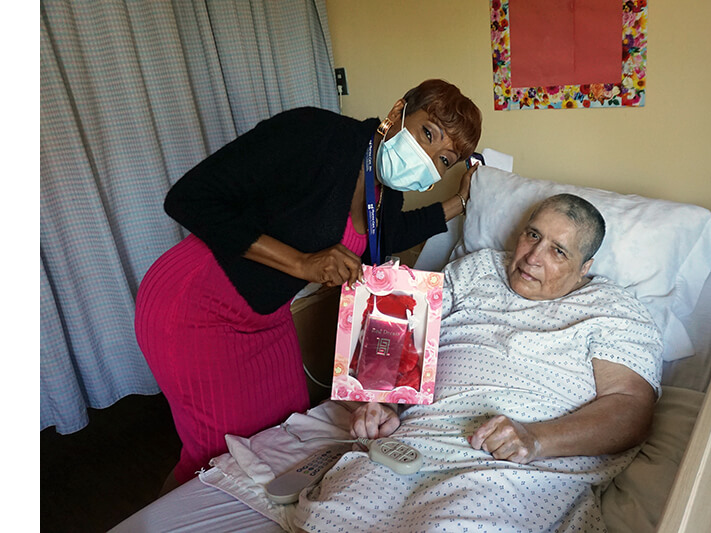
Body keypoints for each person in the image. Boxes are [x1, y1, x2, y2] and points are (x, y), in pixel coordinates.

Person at [134, 79, 482, 491]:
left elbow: (385, 236)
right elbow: (189, 198)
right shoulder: (316, 135)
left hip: (265, 314)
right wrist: (303, 263)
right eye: (427, 134)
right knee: (220, 459)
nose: (427, 159)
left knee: (289, 433)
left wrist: (460, 202)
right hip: (195, 305)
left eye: (444, 159)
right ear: (397, 112)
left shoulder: (384, 192)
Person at [291, 193, 663, 532]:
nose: (534, 257)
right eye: (532, 235)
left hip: (510, 467)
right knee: (328, 513)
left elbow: (630, 409)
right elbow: (405, 329)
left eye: (558, 251)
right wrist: (384, 400)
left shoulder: (613, 309)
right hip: (413, 444)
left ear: (585, 267)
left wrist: (535, 439)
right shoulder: (478, 269)